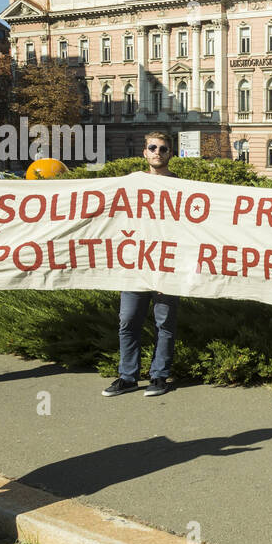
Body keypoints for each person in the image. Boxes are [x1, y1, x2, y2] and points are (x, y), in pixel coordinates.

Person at [102, 132, 180, 398]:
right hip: (135, 265)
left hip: (166, 265)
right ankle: (128, 377)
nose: (158, 152)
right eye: (152, 147)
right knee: (128, 321)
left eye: (163, 148)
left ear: (171, 153)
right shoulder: (131, 185)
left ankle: (159, 376)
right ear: (144, 152)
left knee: (165, 323)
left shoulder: (182, 188)